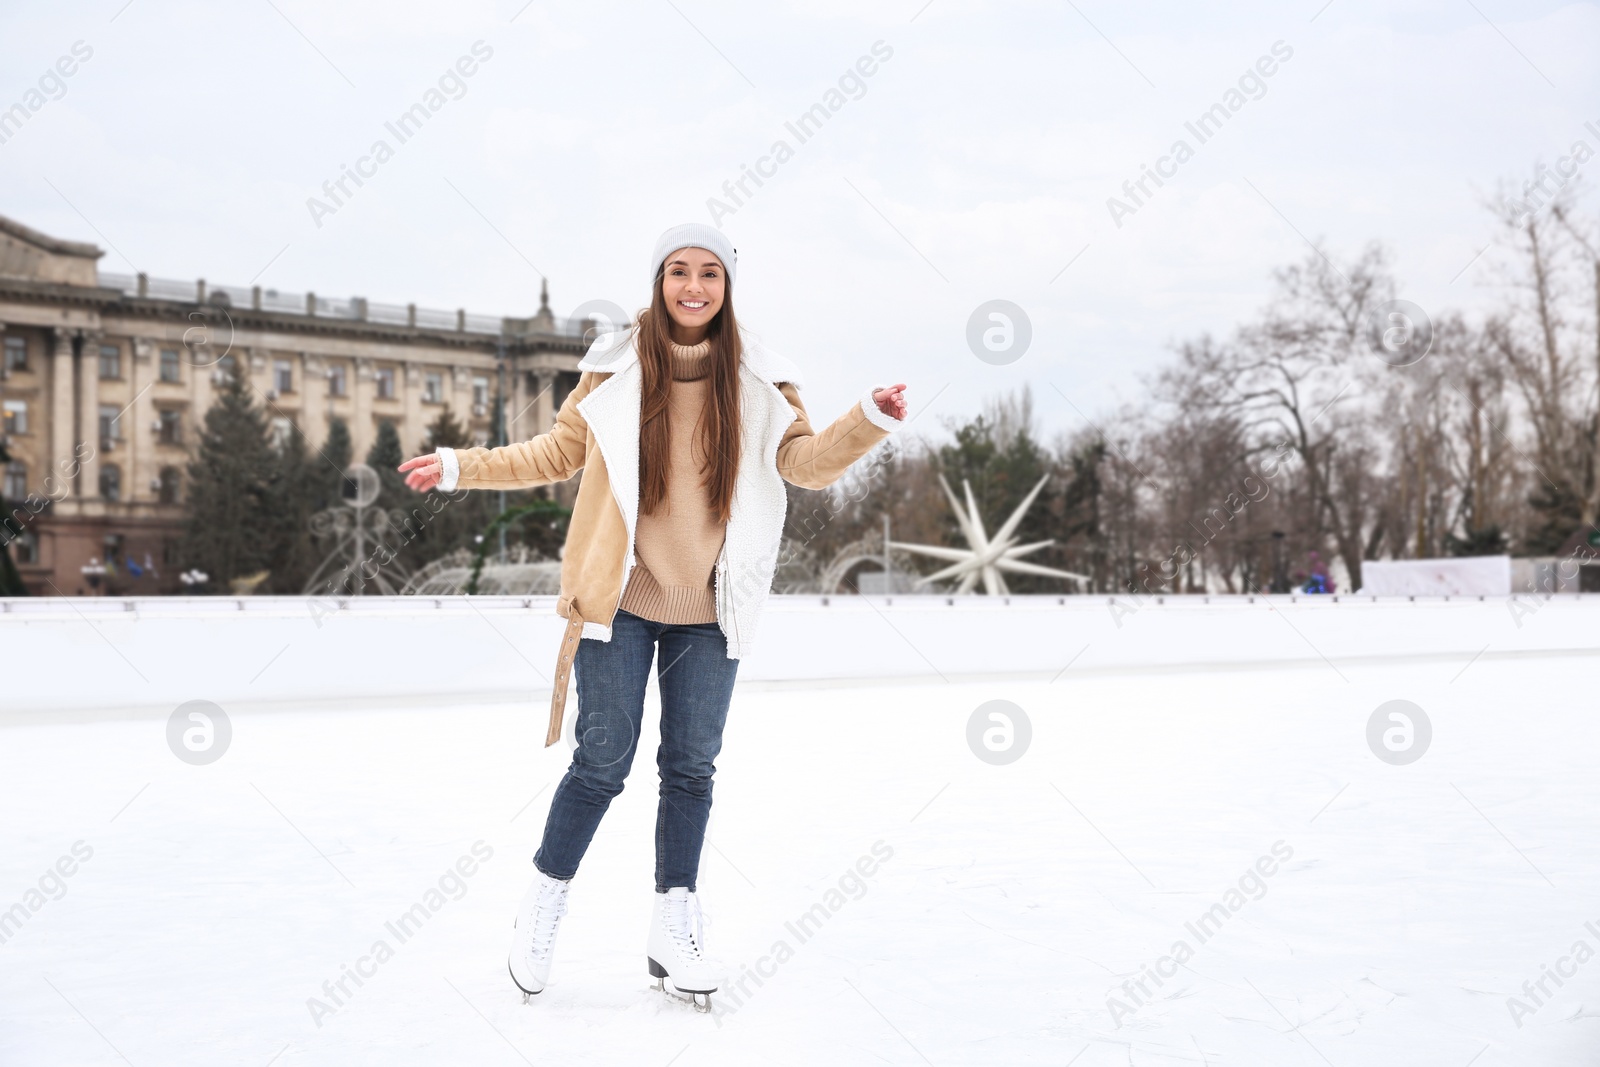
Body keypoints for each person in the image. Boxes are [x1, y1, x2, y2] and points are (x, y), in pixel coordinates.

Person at [397, 222, 909, 1011]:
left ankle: (675, 921)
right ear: (659, 281)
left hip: (713, 608)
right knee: (602, 764)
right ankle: (543, 904)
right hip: (620, 602)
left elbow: (802, 464)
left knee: (691, 770)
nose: (693, 285)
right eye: (679, 271)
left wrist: (866, 418)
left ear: (728, 286)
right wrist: (463, 465)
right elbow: (554, 453)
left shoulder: (762, 378)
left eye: (709, 272)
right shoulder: (615, 367)